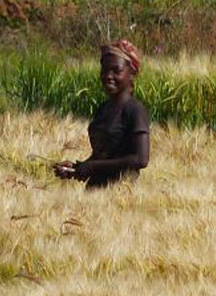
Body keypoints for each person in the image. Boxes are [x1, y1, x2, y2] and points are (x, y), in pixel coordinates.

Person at [53, 40, 150, 188]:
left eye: (116, 71)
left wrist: (94, 166)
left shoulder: (134, 109)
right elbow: (102, 156)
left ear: (131, 74)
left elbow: (141, 159)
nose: (108, 76)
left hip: (121, 193)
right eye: (104, 70)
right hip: (95, 194)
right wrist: (76, 168)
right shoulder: (103, 109)